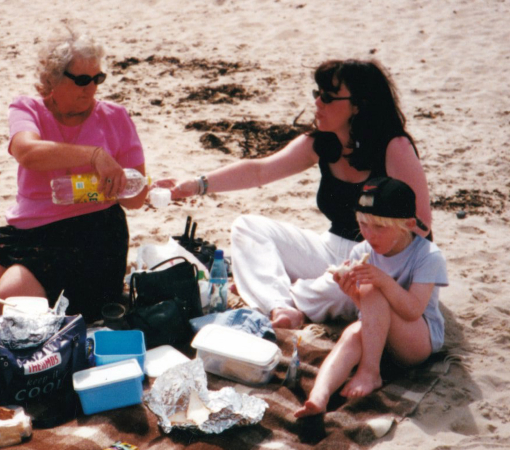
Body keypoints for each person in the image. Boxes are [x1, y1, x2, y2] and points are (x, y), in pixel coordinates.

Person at [158, 59, 432, 329]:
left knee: (341, 285)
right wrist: (196, 185)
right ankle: (282, 307)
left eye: (328, 97)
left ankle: (275, 292)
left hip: (382, 261)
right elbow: (260, 171)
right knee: (247, 228)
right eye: (317, 94)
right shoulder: (322, 142)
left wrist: (376, 263)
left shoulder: (394, 147)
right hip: (331, 247)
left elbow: (421, 226)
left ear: (358, 105)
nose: (317, 103)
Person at [0, 29, 147, 321]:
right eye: (81, 80)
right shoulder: (27, 108)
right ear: (52, 78)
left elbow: (136, 199)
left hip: (92, 229)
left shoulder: (115, 117)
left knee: (10, 298)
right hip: (29, 229)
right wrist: (94, 156)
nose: (90, 88)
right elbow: (27, 152)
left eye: (97, 78)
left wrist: (122, 184)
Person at [294, 177, 447, 417]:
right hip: (380, 335)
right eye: (363, 225)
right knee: (352, 335)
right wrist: (353, 293)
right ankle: (319, 396)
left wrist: (382, 280)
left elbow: (413, 310)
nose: (369, 234)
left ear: (407, 224)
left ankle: (369, 371)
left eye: (379, 227)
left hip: (417, 340)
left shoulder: (427, 255)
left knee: (372, 288)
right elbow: (369, 311)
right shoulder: (362, 250)